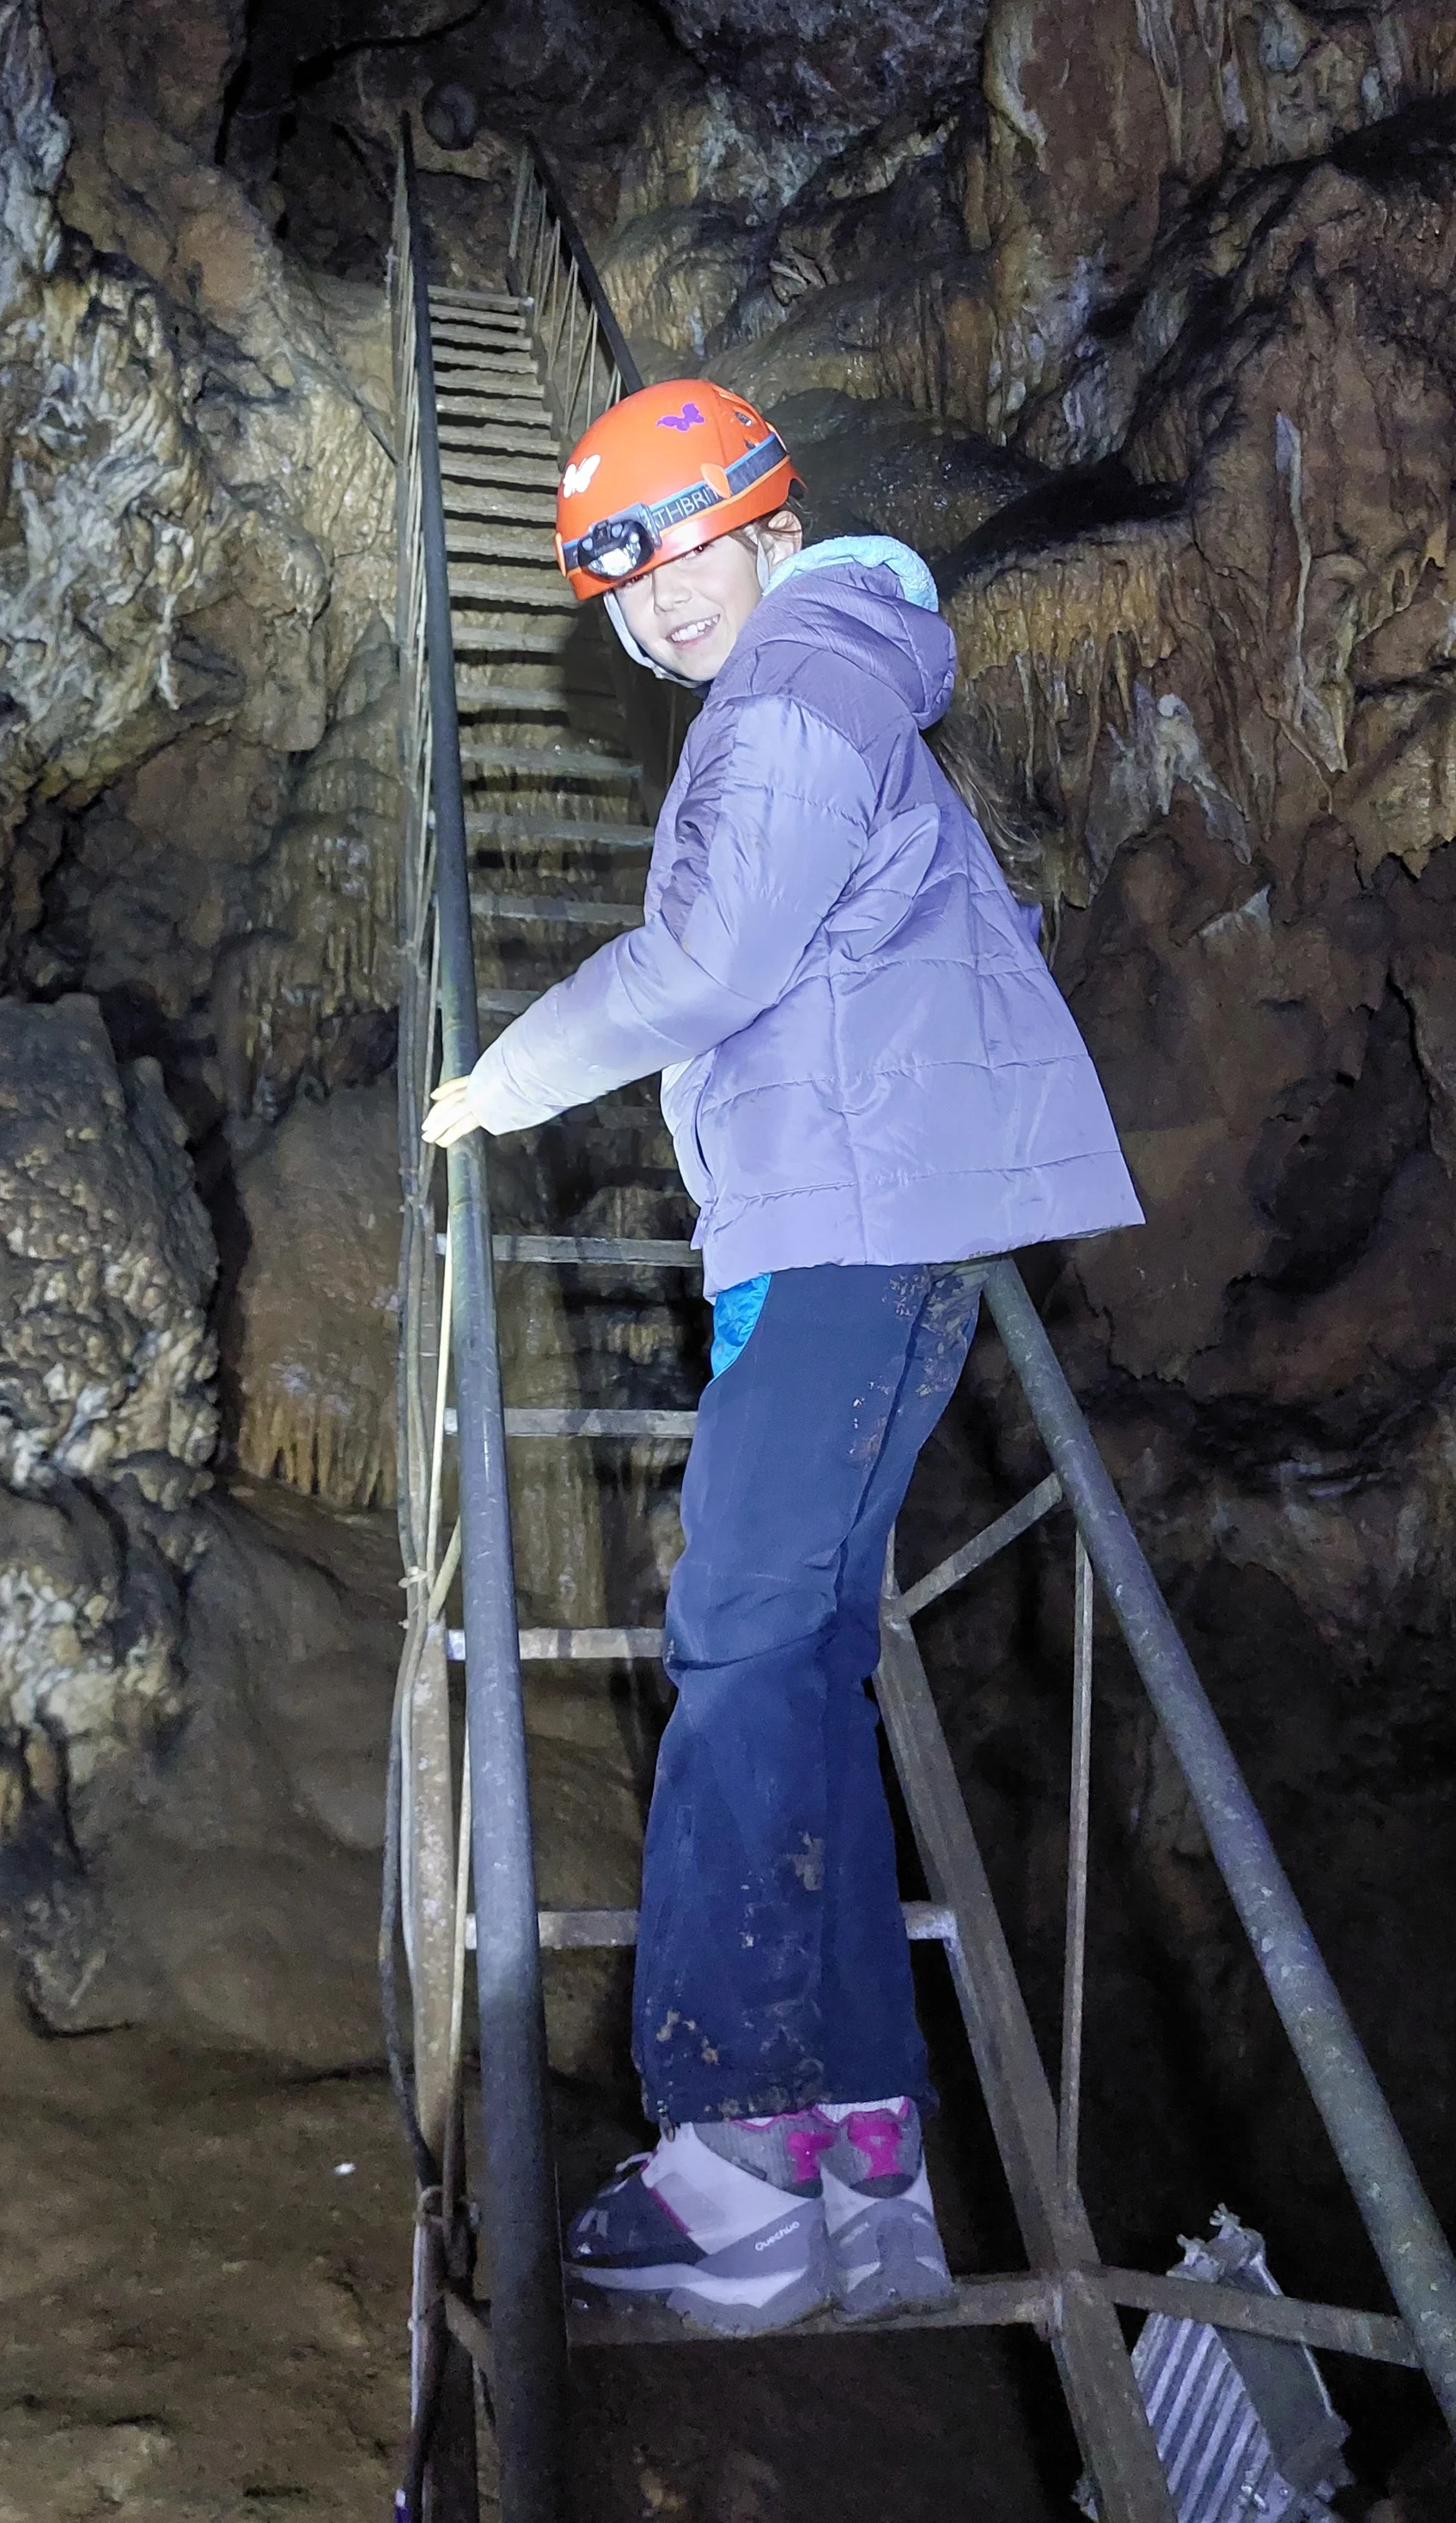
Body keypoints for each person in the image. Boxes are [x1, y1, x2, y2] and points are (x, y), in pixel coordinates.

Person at [422, 377, 1142, 2335]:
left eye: (667, 551)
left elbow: (711, 966)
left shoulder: (804, 675)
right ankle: (856, 2167)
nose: (646, 605)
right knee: (801, 1659)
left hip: (860, 1223)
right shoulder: (807, 683)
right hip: (862, 1221)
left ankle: (740, 2154)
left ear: (760, 520)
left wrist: (497, 1085)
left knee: (740, 1639)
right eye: (612, 580)